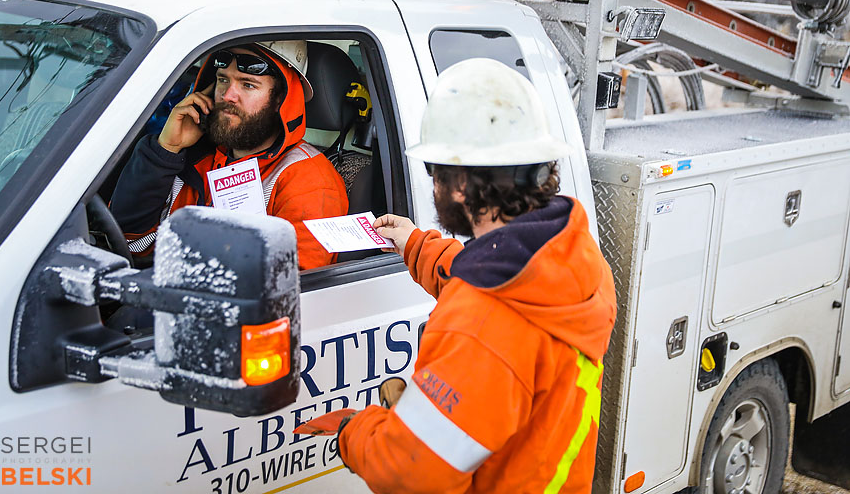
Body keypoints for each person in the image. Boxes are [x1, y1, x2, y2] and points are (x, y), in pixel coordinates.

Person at [335, 58, 617, 493]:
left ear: (461, 184)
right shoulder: (572, 256)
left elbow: (406, 473)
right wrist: (415, 244)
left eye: (435, 171)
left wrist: (355, 431)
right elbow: (496, 283)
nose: (432, 186)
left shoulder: (482, 322)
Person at [110, 41, 348, 270]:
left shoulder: (307, 180)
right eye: (223, 80)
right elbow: (128, 242)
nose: (227, 95)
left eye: (248, 84)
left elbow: (290, 292)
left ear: (280, 99)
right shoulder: (193, 157)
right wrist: (165, 150)